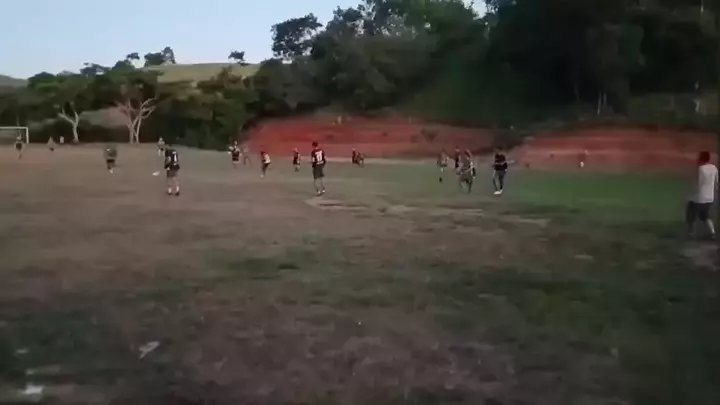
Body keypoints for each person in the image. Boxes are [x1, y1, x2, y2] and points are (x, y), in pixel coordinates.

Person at [686, 151, 718, 239]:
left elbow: (699, 183)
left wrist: (690, 195)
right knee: (705, 216)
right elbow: (716, 182)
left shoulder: (700, 169)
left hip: (699, 197)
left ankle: (691, 233)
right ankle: (712, 232)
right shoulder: (714, 168)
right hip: (710, 197)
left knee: (690, 214)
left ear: (701, 159)